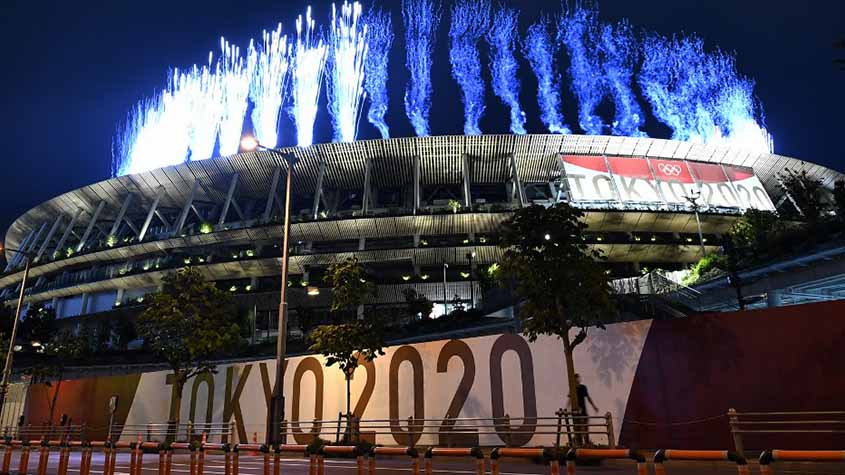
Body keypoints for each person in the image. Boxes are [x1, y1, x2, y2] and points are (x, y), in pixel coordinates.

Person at [568, 373, 598, 446]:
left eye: (578, 378)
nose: (577, 380)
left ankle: (587, 443)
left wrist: (594, 406)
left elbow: (588, 397)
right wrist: (567, 408)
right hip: (575, 412)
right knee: (577, 428)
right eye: (576, 379)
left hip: (583, 411)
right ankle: (579, 444)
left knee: (585, 428)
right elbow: (570, 399)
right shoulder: (572, 389)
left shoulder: (583, 387)